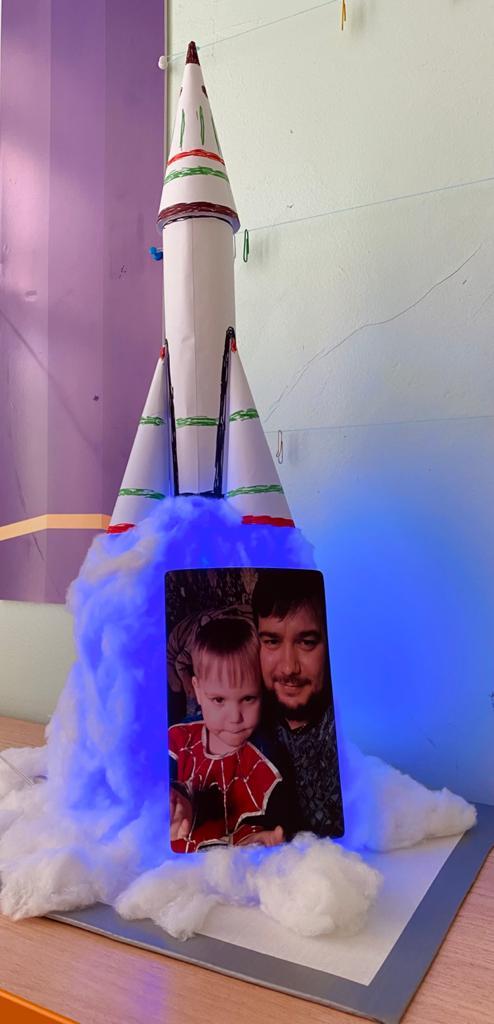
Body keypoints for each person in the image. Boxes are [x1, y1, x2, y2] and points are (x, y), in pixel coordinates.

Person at [168, 616, 289, 852]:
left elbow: (262, 824)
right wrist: (174, 800)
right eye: (219, 700)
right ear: (197, 691)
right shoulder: (177, 739)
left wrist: (258, 839)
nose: (235, 717)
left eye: (248, 698)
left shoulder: (267, 759)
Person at [251, 569, 344, 838]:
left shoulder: (352, 737)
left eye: (307, 642)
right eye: (272, 641)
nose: (288, 667)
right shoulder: (241, 717)